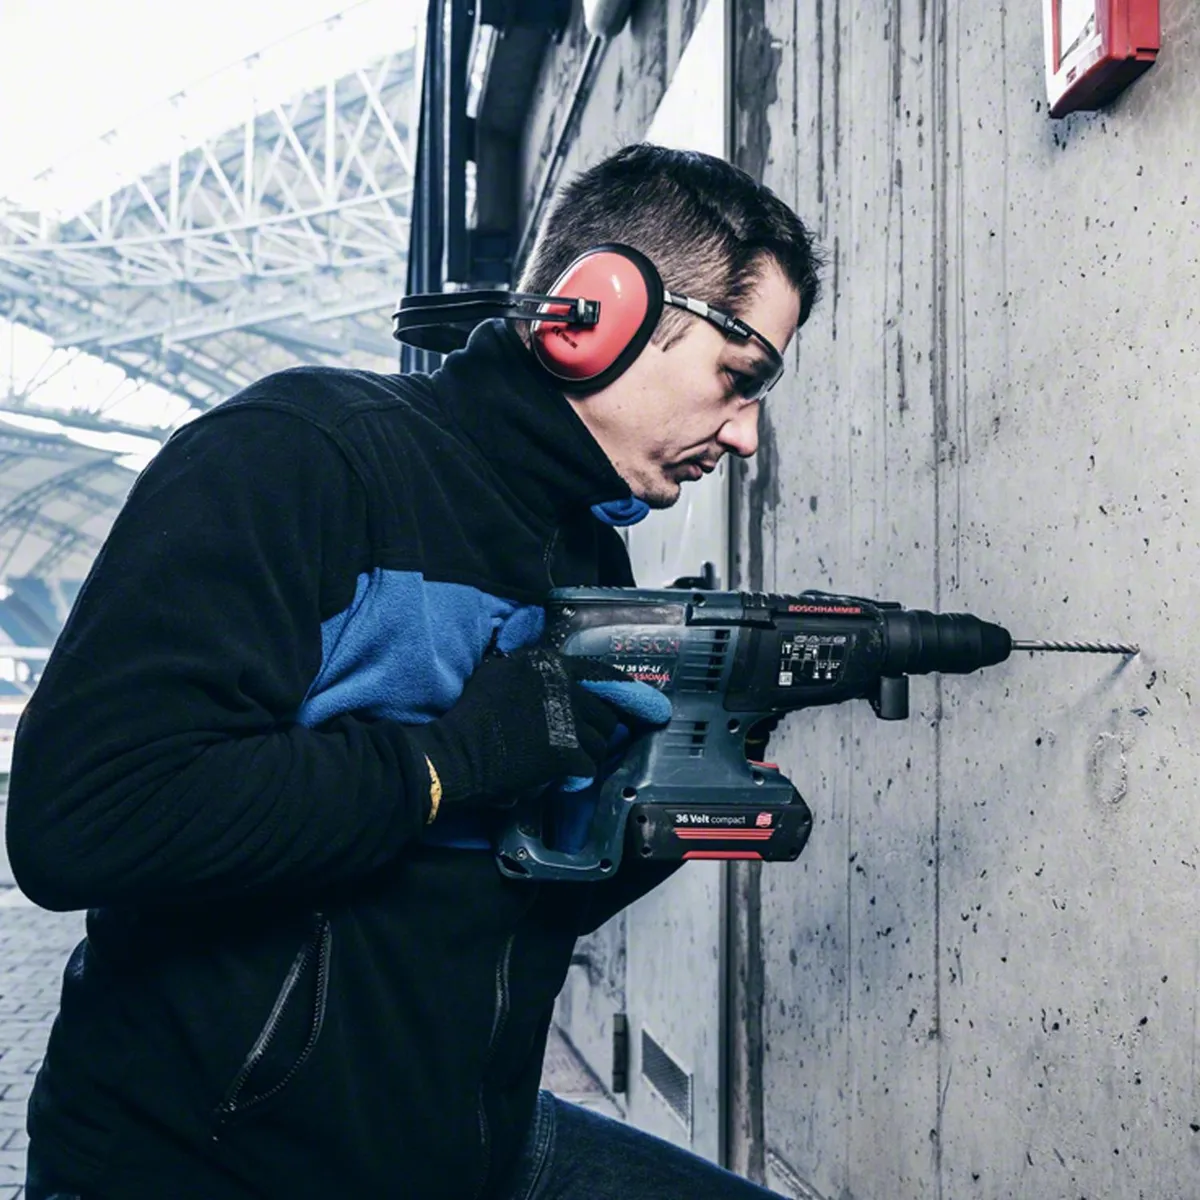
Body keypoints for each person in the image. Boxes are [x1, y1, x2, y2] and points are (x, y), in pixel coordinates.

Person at [6, 143, 820, 1199]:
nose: (747, 434)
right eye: (740, 378)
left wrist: (674, 789)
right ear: (599, 314)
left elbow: (512, 906)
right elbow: (84, 820)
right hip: (208, 1166)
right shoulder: (302, 456)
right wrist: (449, 760)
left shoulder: (585, 553)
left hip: (467, 1150)